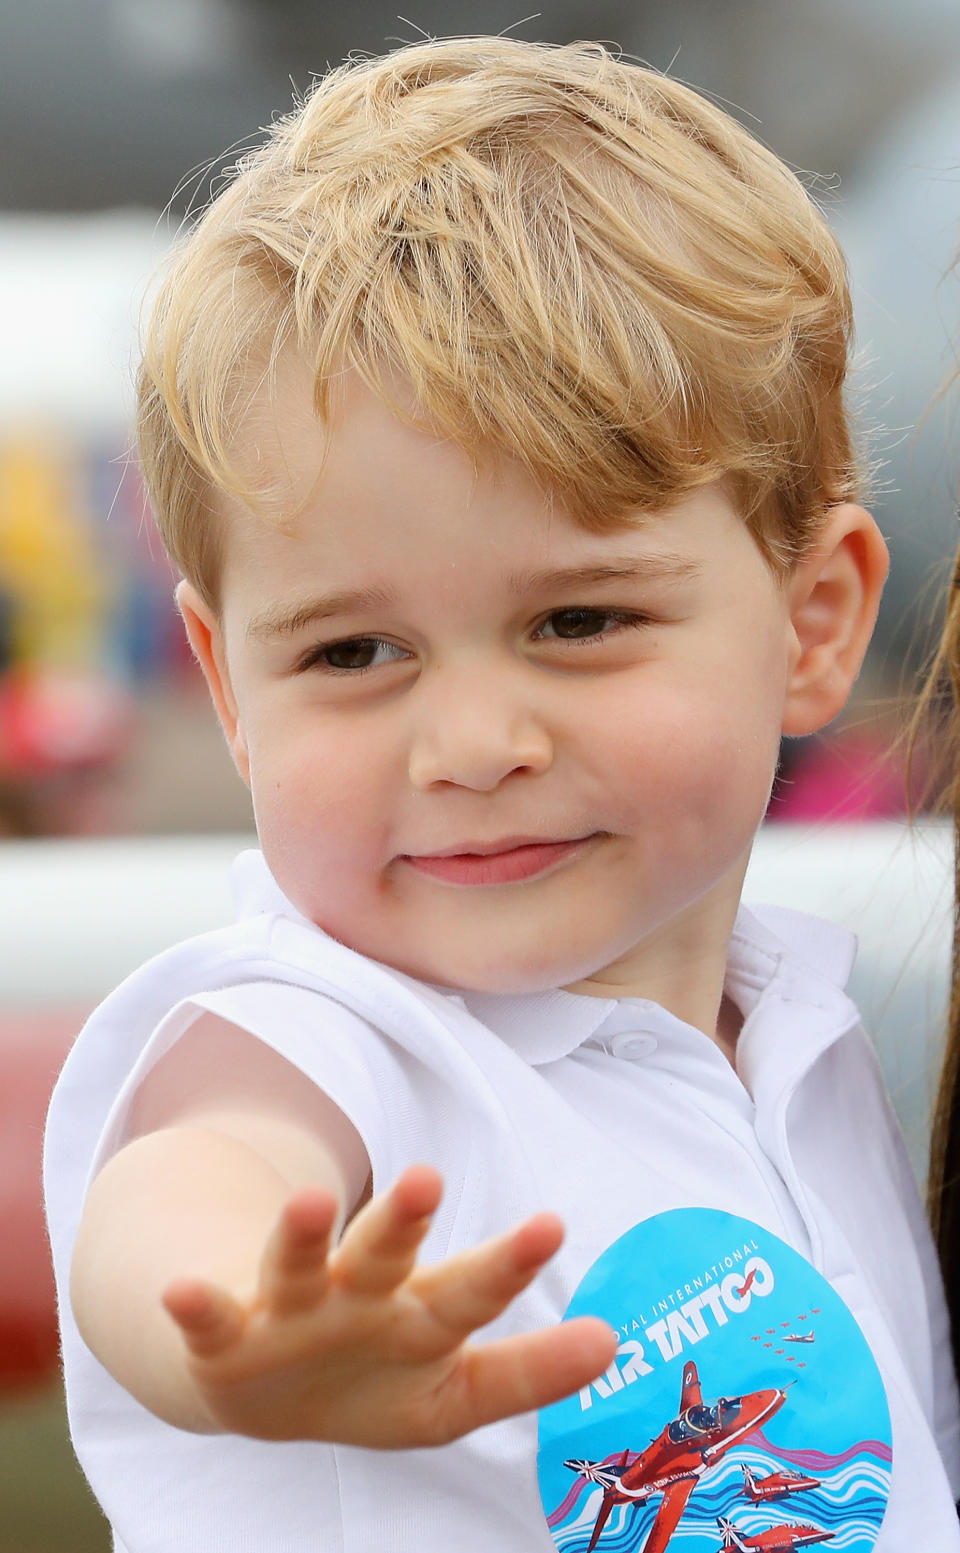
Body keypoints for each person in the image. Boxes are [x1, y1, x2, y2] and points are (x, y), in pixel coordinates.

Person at [43, 36, 960, 1553]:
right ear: (228, 689)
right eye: (353, 649)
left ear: (813, 623)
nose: (470, 741)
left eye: (578, 621)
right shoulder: (321, 1025)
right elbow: (193, 1182)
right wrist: (239, 1321)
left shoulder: (793, 1025)